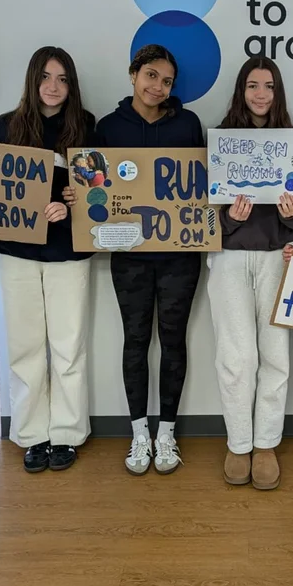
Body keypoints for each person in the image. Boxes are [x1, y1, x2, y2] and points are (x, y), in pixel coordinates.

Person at [0, 46, 96, 473]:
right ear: (32, 80)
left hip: (68, 252)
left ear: (71, 85)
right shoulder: (4, 126)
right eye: (46, 77)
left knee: (68, 346)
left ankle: (68, 434)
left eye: (62, 79)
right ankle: (32, 433)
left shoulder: (87, 127)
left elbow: (101, 190)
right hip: (15, 251)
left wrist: (73, 202)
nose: (53, 87)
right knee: (24, 346)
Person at [97, 44, 204, 476]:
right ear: (133, 74)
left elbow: (201, 185)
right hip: (129, 257)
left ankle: (167, 434)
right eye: (152, 76)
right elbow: (94, 188)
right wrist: (83, 197)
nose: (158, 86)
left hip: (180, 256)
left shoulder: (188, 124)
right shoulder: (107, 127)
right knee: (135, 341)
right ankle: (139, 432)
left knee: (174, 341)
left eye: (167, 81)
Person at [208, 57, 293, 491]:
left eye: (268, 86)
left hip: (276, 257)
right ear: (241, 90)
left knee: (275, 354)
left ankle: (266, 443)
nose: (260, 94)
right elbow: (200, 212)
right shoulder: (220, 140)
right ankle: (239, 442)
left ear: (278, 92)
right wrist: (229, 219)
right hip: (230, 257)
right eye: (252, 85)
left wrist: (292, 216)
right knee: (236, 357)